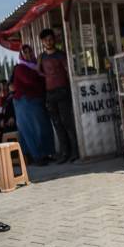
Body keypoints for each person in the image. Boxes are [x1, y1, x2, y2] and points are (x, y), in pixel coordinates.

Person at [38, 29, 79, 162]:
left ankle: (74, 152)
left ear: (54, 40)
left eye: (50, 39)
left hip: (62, 91)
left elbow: (69, 71)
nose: (48, 42)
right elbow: (39, 71)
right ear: (42, 42)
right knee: (57, 124)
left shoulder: (61, 55)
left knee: (67, 122)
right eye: (45, 40)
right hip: (50, 93)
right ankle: (64, 153)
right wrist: (49, 78)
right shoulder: (41, 57)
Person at [13, 44, 56, 166]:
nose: (28, 54)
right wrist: (38, 70)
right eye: (25, 52)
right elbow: (29, 80)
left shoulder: (36, 67)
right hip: (25, 102)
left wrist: (38, 72)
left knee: (43, 127)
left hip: (37, 100)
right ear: (22, 55)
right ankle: (37, 157)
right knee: (32, 130)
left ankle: (46, 154)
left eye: (30, 52)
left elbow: (43, 80)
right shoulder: (20, 68)